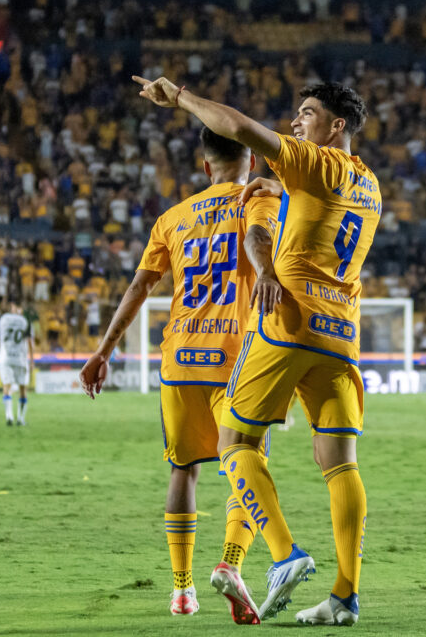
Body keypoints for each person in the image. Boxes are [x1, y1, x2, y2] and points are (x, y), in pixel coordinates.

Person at [133, 75, 378, 626]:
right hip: (341, 334)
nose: (297, 121)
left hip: (288, 322)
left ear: (337, 127)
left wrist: (182, 99)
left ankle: (285, 555)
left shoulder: (318, 163)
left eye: (308, 113)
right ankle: (345, 595)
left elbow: (240, 128)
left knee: (234, 440)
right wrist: (279, 193)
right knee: (339, 461)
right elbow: (315, 218)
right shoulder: (369, 184)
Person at [79, 128, 279, 622]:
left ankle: (182, 590)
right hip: (237, 359)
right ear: (250, 162)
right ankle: (230, 565)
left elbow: (139, 287)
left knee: (182, 469)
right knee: (249, 463)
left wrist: (103, 350)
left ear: (205, 167)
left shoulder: (172, 218)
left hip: (180, 358)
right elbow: (269, 238)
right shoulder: (257, 202)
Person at [0, 302, 33, 426]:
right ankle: (20, 419)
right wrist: (32, 360)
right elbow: (29, 342)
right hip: (20, 359)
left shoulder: (1, 320)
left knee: (6, 386)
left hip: (5, 357)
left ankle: (9, 416)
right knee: (23, 388)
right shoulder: (24, 321)